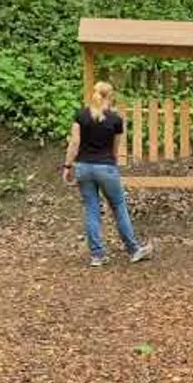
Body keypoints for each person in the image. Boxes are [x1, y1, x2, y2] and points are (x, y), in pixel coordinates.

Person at [62, 81, 153, 267]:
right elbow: (115, 150)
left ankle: (97, 255)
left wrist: (67, 166)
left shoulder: (81, 115)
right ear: (110, 96)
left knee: (91, 208)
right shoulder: (115, 120)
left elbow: (74, 143)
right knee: (118, 206)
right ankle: (133, 249)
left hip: (84, 167)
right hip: (106, 167)